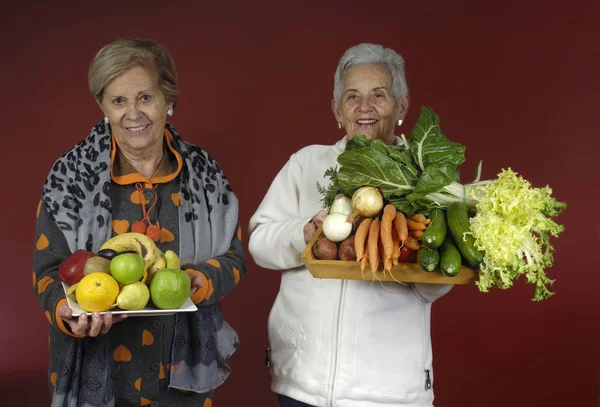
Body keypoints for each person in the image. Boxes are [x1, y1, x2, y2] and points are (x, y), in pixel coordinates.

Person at [33, 37, 246, 407]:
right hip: (99, 376)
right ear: (102, 106)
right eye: (118, 101)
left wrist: (201, 282)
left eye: (145, 97)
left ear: (169, 100)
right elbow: (48, 270)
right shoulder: (70, 177)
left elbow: (235, 257)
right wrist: (67, 311)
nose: (133, 113)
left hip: (183, 377)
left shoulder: (205, 173)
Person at [248, 43, 451, 407]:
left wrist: (404, 255)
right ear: (337, 110)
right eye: (352, 96)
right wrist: (304, 234)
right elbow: (260, 242)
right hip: (300, 383)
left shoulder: (425, 177)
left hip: (387, 391)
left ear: (401, 106)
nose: (364, 107)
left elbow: (434, 287)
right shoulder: (306, 163)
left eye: (379, 95)